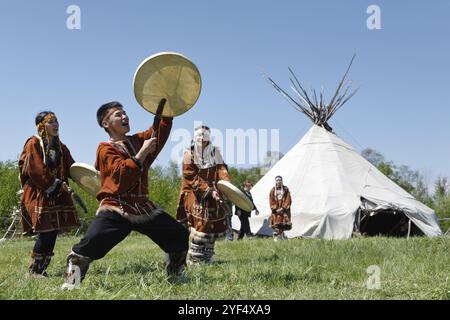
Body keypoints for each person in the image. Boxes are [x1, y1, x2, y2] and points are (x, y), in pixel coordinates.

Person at [62, 101, 189, 288]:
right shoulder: (105, 149)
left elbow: (158, 132)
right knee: (89, 245)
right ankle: (71, 283)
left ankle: (175, 274)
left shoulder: (136, 141)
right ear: (106, 123)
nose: (125, 116)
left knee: (178, 234)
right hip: (115, 207)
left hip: (142, 206)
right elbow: (121, 177)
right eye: (118, 115)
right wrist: (141, 155)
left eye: (125, 113)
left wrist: (167, 111)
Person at [18, 111, 80, 277]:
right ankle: (33, 271)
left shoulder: (61, 147)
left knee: (52, 232)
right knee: (46, 231)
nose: (56, 124)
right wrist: (53, 184)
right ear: (41, 126)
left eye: (56, 121)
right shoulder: (33, 143)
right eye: (51, 121)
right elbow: (35, 168)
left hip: (56, 193)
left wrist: (89, 178)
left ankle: (41, 270)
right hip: (39, 191)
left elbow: (72, 168)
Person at [176, 125, 231, 264]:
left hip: (213, 193)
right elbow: (190, 175)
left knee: (211, 224)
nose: (201, 137)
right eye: (199, 135)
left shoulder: (215, 153)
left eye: (204, 135)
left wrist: (226, 186)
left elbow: (222, 169)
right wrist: (208, 190)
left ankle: (208, 256)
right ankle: (195, 259)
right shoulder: (189, 153)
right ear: (194, 137)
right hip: (194, 194)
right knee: (201, 225)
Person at [269, 176, 292, 240]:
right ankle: (277, 236)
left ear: (282, 181)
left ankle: (281, 236)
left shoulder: (285, 189)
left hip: (284, 210)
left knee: (283, 224)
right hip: (276, 210)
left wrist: (283, 208)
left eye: (280, 180)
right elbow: (271, 200)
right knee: (277, 223)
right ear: (275, 181)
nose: (278, 181)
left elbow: (288, 199)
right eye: (277, 180)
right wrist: (275, 209)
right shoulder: (273, 190)